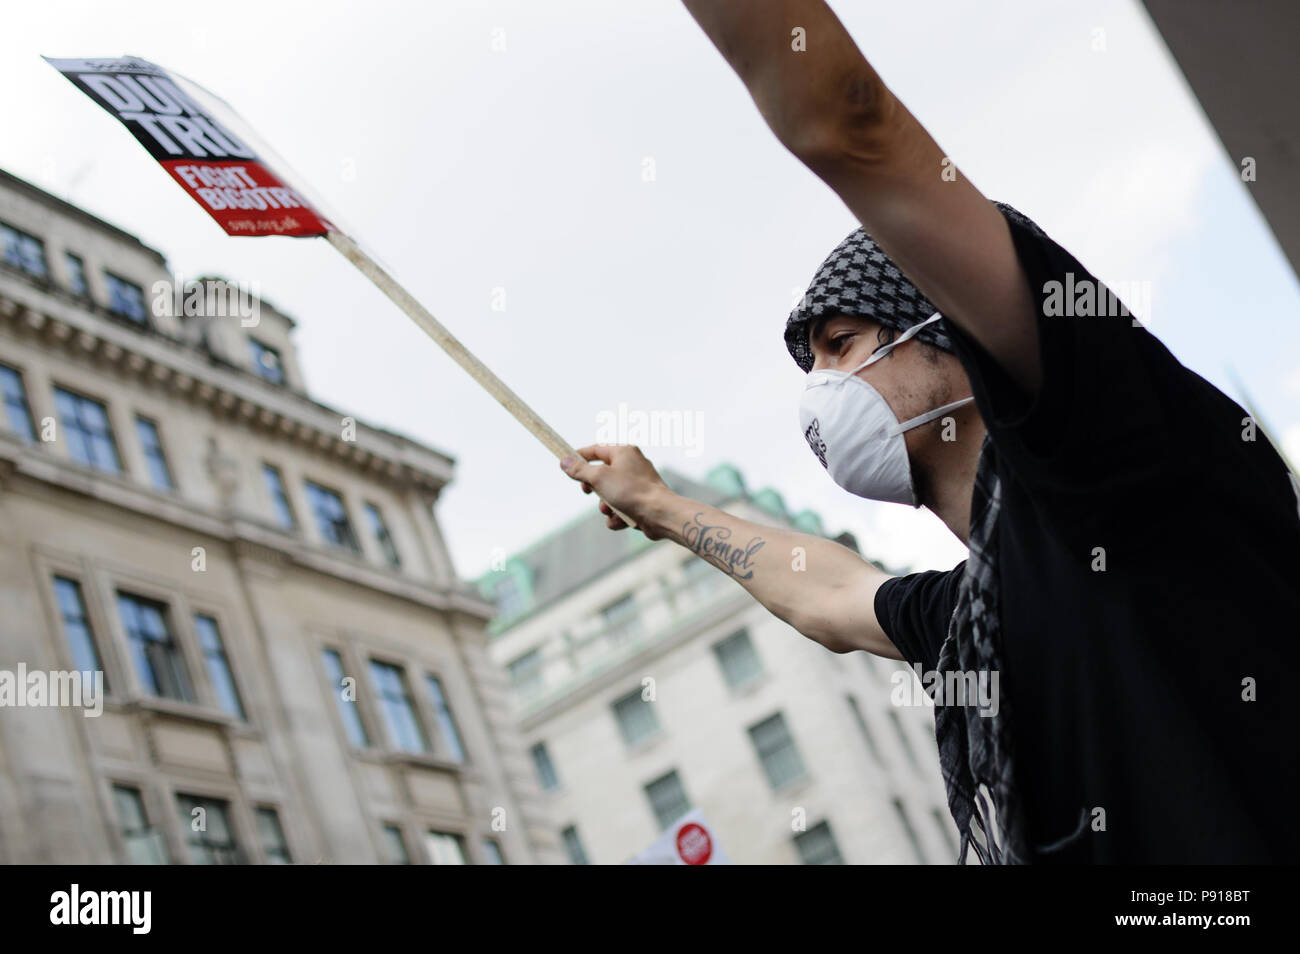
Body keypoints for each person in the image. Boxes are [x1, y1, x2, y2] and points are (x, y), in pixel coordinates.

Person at [559, 0, 1300, 863]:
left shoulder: (1102, 447)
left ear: (951, 331)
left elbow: (851, 126)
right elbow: (830, 595)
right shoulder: (970, 613)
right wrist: (656, 505)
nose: (825, 394)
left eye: (842, 346)